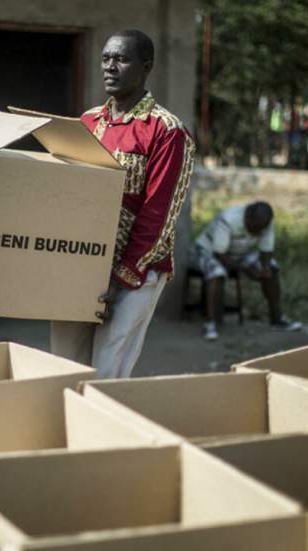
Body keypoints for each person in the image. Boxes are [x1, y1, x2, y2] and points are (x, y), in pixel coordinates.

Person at [50, 30, 196, 379]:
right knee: (64, 366)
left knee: (106, 372)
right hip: (80, 262)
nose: (110, 67)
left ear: (146, 68)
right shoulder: (87, 123)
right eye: (105, 58)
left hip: (136, 271)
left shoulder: (166, 131)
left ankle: (104, 433)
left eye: (121, 59)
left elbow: (159, 215)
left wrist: (122, 278)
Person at [193, 201, 301, 340]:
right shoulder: (228, 219)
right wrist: (246, 269)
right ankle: (211, 324)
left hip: (240, 254)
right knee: (216, 273)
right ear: (247, 217)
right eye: (255, 227)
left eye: (261, 229)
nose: (257, 232)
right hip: (209, 252)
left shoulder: (265, 223)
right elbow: (220, 254)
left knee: (273, 269)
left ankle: (277, 319)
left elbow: (266, 249)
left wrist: (266, 268)